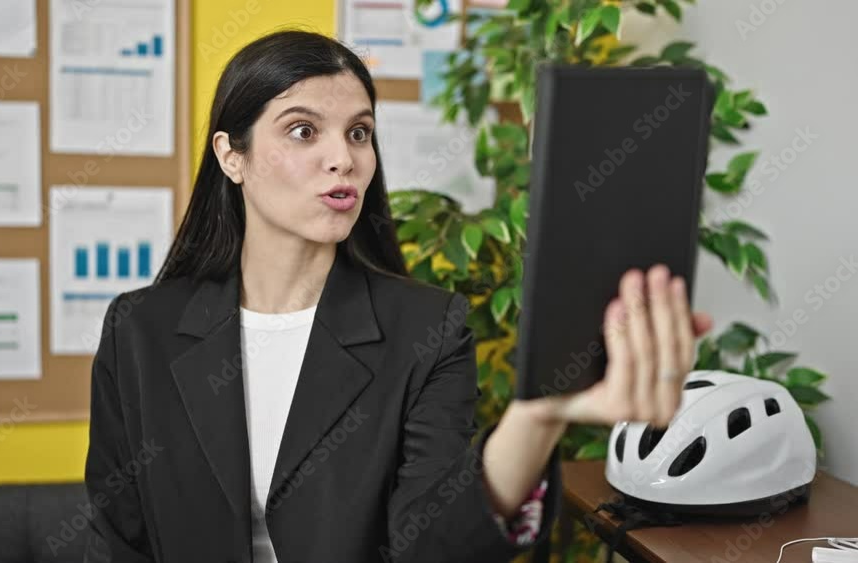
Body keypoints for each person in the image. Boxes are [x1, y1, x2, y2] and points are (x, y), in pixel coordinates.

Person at [83, 30, 713, 563]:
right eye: (304, 131)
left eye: (360, 134)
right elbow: (118, 541)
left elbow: (429, 543)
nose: (344, 159)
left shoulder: (428, 328)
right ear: (232, 156)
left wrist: (538, 415)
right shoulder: (140, 330)